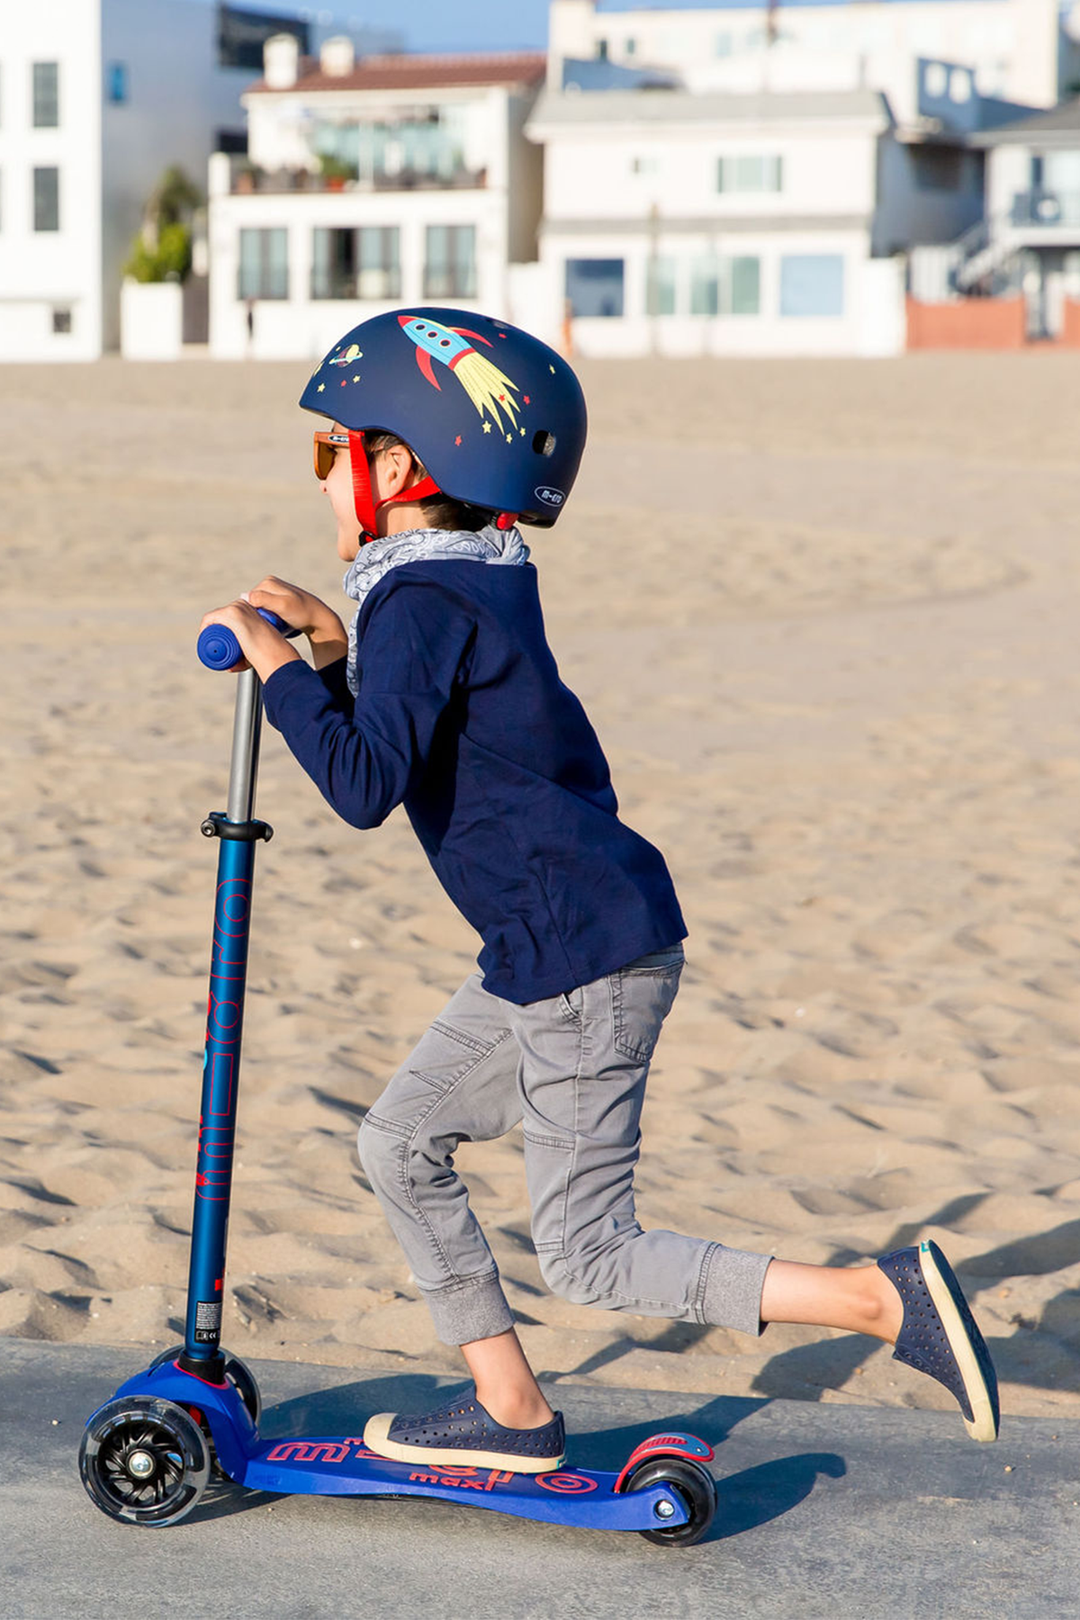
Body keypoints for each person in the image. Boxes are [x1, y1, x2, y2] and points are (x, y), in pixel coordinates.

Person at [201, 307, 999, 1474]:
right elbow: (419, 724)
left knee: (588, 1253)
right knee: (400, 1141)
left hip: (578, 957)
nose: (320, 472)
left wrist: (279, 665)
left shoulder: (420, 602)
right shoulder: (457, 582)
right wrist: (331, 647)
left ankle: (879, 1300)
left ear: (399, 468)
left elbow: (366, 780)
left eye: (332, 449)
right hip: (555, 942)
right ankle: (510, 1408)